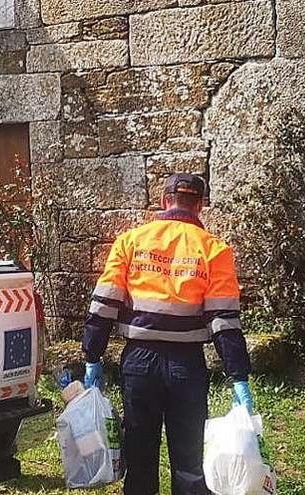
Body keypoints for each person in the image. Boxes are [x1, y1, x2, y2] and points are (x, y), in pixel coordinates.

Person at [82, 173, 253, 495]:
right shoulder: (215, 249)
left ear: (164, 201)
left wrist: (93, 357)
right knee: (189, 459)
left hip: (138, 362)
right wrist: (238, 376)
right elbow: (224, 320)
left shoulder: (130, 241)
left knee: (140, 452)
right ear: (200, 205)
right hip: (187, 364)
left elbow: (103, 305)